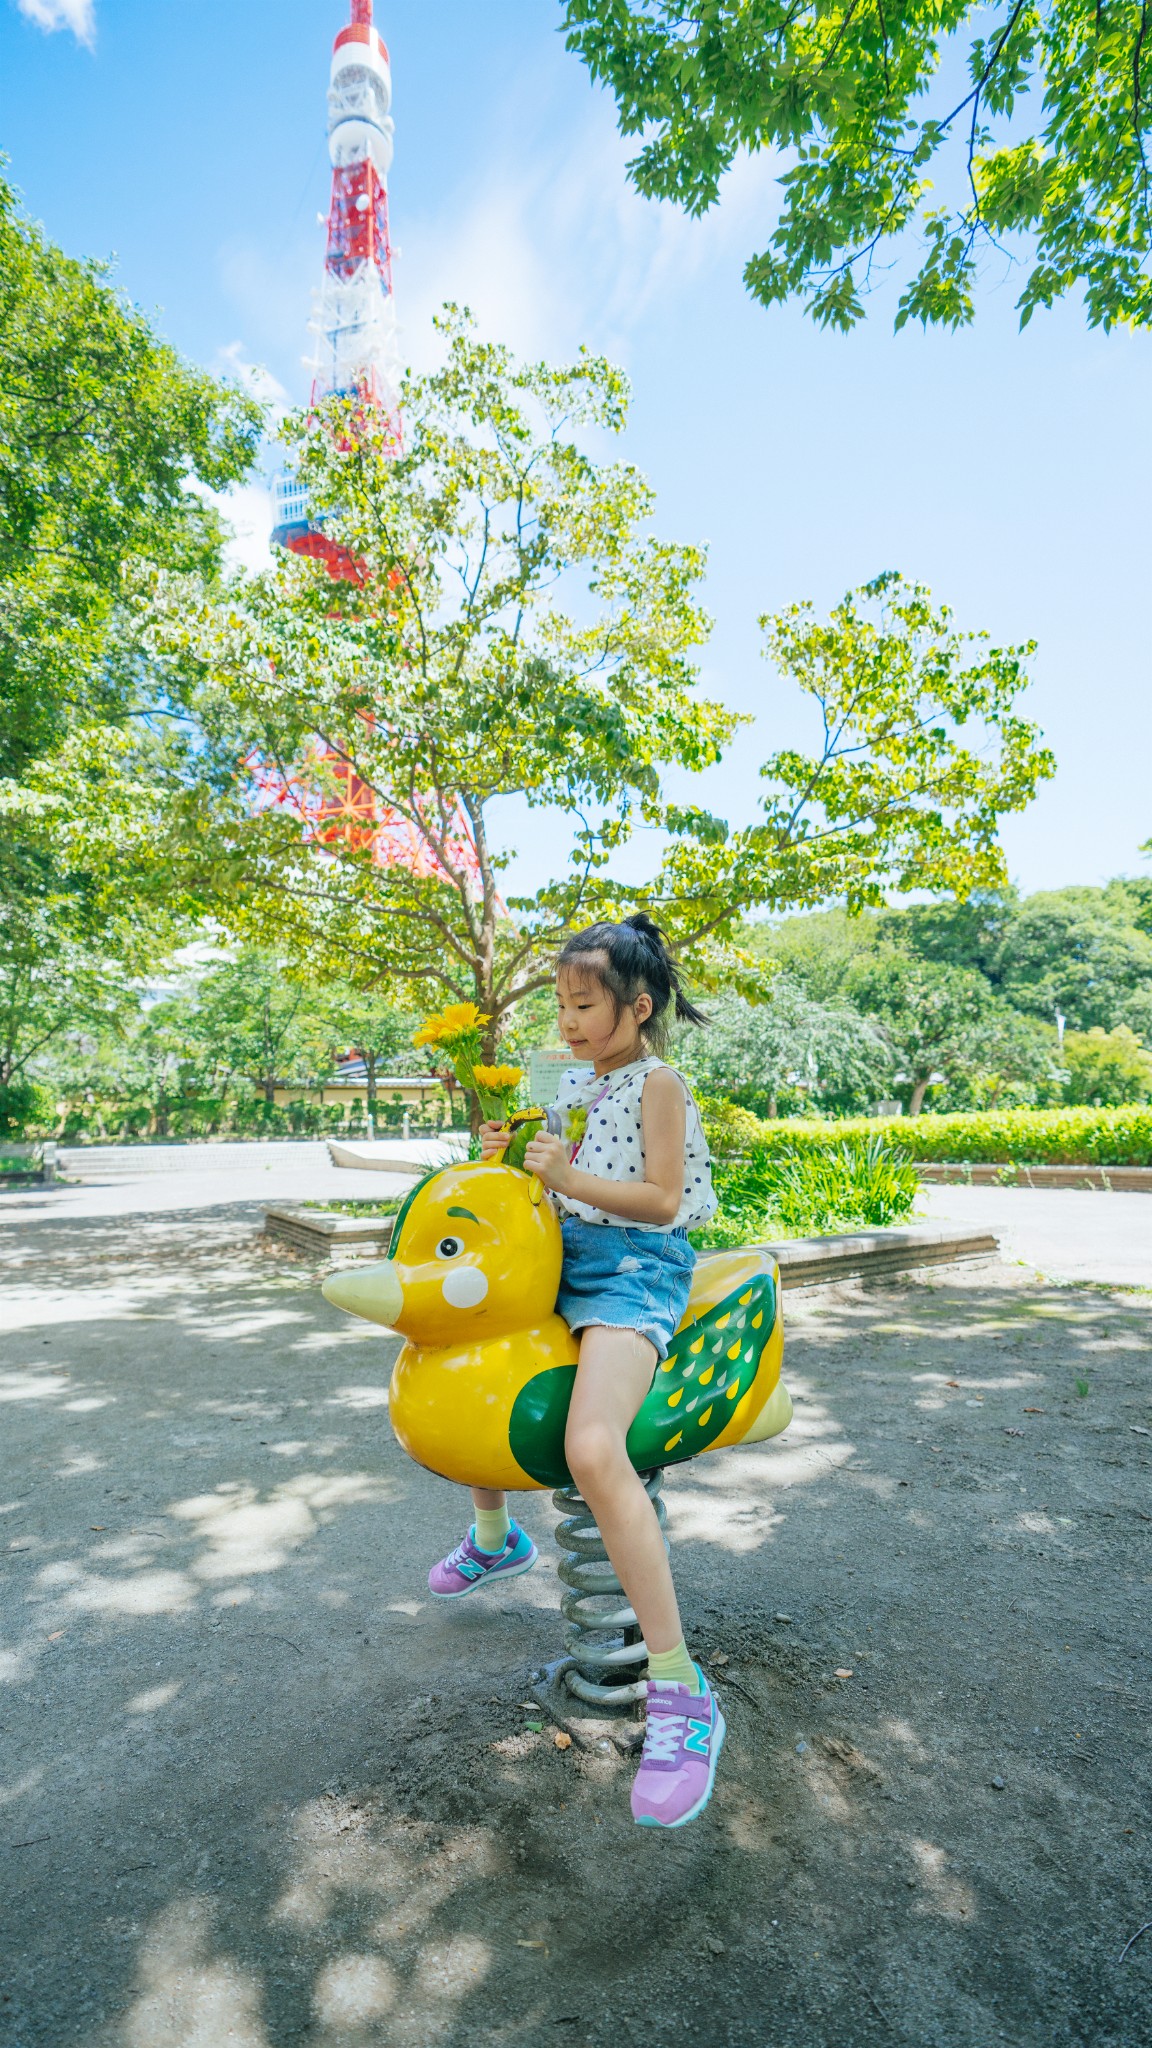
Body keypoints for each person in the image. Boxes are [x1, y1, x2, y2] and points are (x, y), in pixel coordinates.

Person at [427, 913, 723, 1829]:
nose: (568, 1019)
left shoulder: (658, 1083)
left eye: (585, 1003)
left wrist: (565, 1179)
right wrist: (510, 1159)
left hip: (635, 1274)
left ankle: (680, 1689)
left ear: (637, 1006)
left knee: (594, 1449)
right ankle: (494, 1539)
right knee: (468, 1368)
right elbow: (547, 1183)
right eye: (560, 1004)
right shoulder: (572, 1084)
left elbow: (661, 1200)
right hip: (565, 1262)